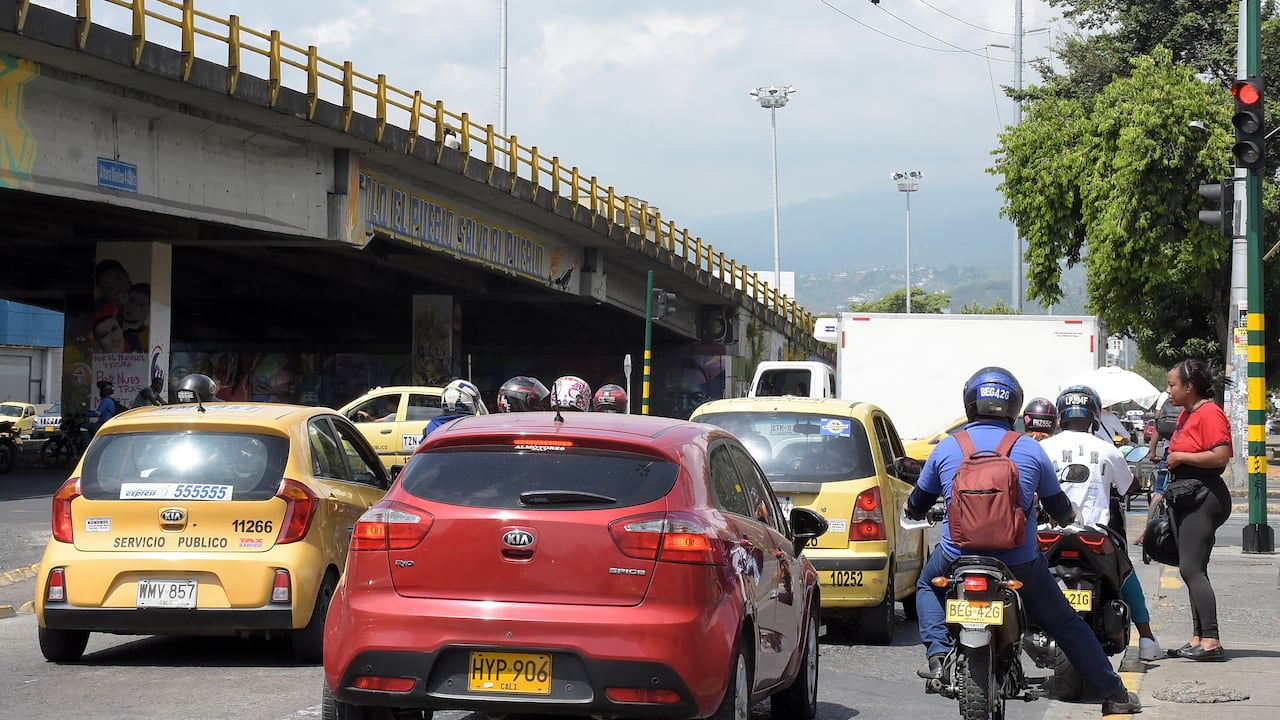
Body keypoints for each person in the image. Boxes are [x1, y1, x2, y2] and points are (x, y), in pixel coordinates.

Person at [904, 366, 1139, 715]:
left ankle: (938, 657)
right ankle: (1115, 694)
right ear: (1014, 407)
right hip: (1019, 561)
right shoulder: (1028, 449)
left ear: (970, 404)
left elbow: (917, 504)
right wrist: (1063, 515)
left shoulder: (947, 448)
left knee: (925, 585)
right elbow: (1060, 509)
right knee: (1065, 622)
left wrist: (921, 509)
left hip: (957, 556)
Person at [1039, 385, 1163, 661]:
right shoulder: (1108, 450)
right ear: (1094, 417)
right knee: (1126, 574)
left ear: (1061, 416)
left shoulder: (1043, 448)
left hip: (1049, 532)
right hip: (1095, 534)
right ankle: (1146, 639)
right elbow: (1127, 487)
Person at [1161, 358, 1233, 662]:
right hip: (1185, 495)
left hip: (1204, 496)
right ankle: (1198, 637)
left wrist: (1179, 456)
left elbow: (1221, 456)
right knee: (1190, 570)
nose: (1168, 391)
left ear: (1189, 388)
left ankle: (1212, 640)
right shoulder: (1187, 414)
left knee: (1192, 569)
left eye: (1172, 385)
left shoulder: (1210, 413)